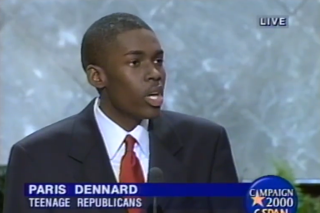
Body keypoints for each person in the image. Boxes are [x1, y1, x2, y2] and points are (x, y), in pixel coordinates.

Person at [3, 13, 242, 213]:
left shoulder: (204, 144)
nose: (155, 73)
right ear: (97, 76)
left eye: (158, 61)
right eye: (135, 63)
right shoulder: (37, 157)